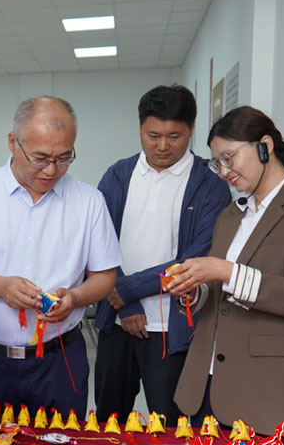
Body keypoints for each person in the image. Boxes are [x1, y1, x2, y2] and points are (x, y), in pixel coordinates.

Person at [0, 95, 122, 438]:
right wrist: (1, 288)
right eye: (40, 158)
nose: (51, 170)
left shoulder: (89, 202)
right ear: (12, 142)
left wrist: (75, 297)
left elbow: (105, 277)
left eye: (64, 158)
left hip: (59, 361)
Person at [167, 106, 284, 435]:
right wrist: (193, 292)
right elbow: (218, 294)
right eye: (217, 163)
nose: (224, 171)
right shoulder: (231, 214)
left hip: (270, 391)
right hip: (208, 384)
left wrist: (225, 271)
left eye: (229, 157)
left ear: (264, 146)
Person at [93, 85, 231, 425]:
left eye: (174, 136)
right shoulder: (118, 176)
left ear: (192, 129)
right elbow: (95, 245)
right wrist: (126, 303)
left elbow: (193, 260)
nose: (162, 146)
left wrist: (123, 290)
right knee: (109, 421)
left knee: (170, 425)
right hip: (117, 322)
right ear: (140, 128)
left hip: (172, 329)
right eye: (153, 135)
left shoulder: (209, 185)